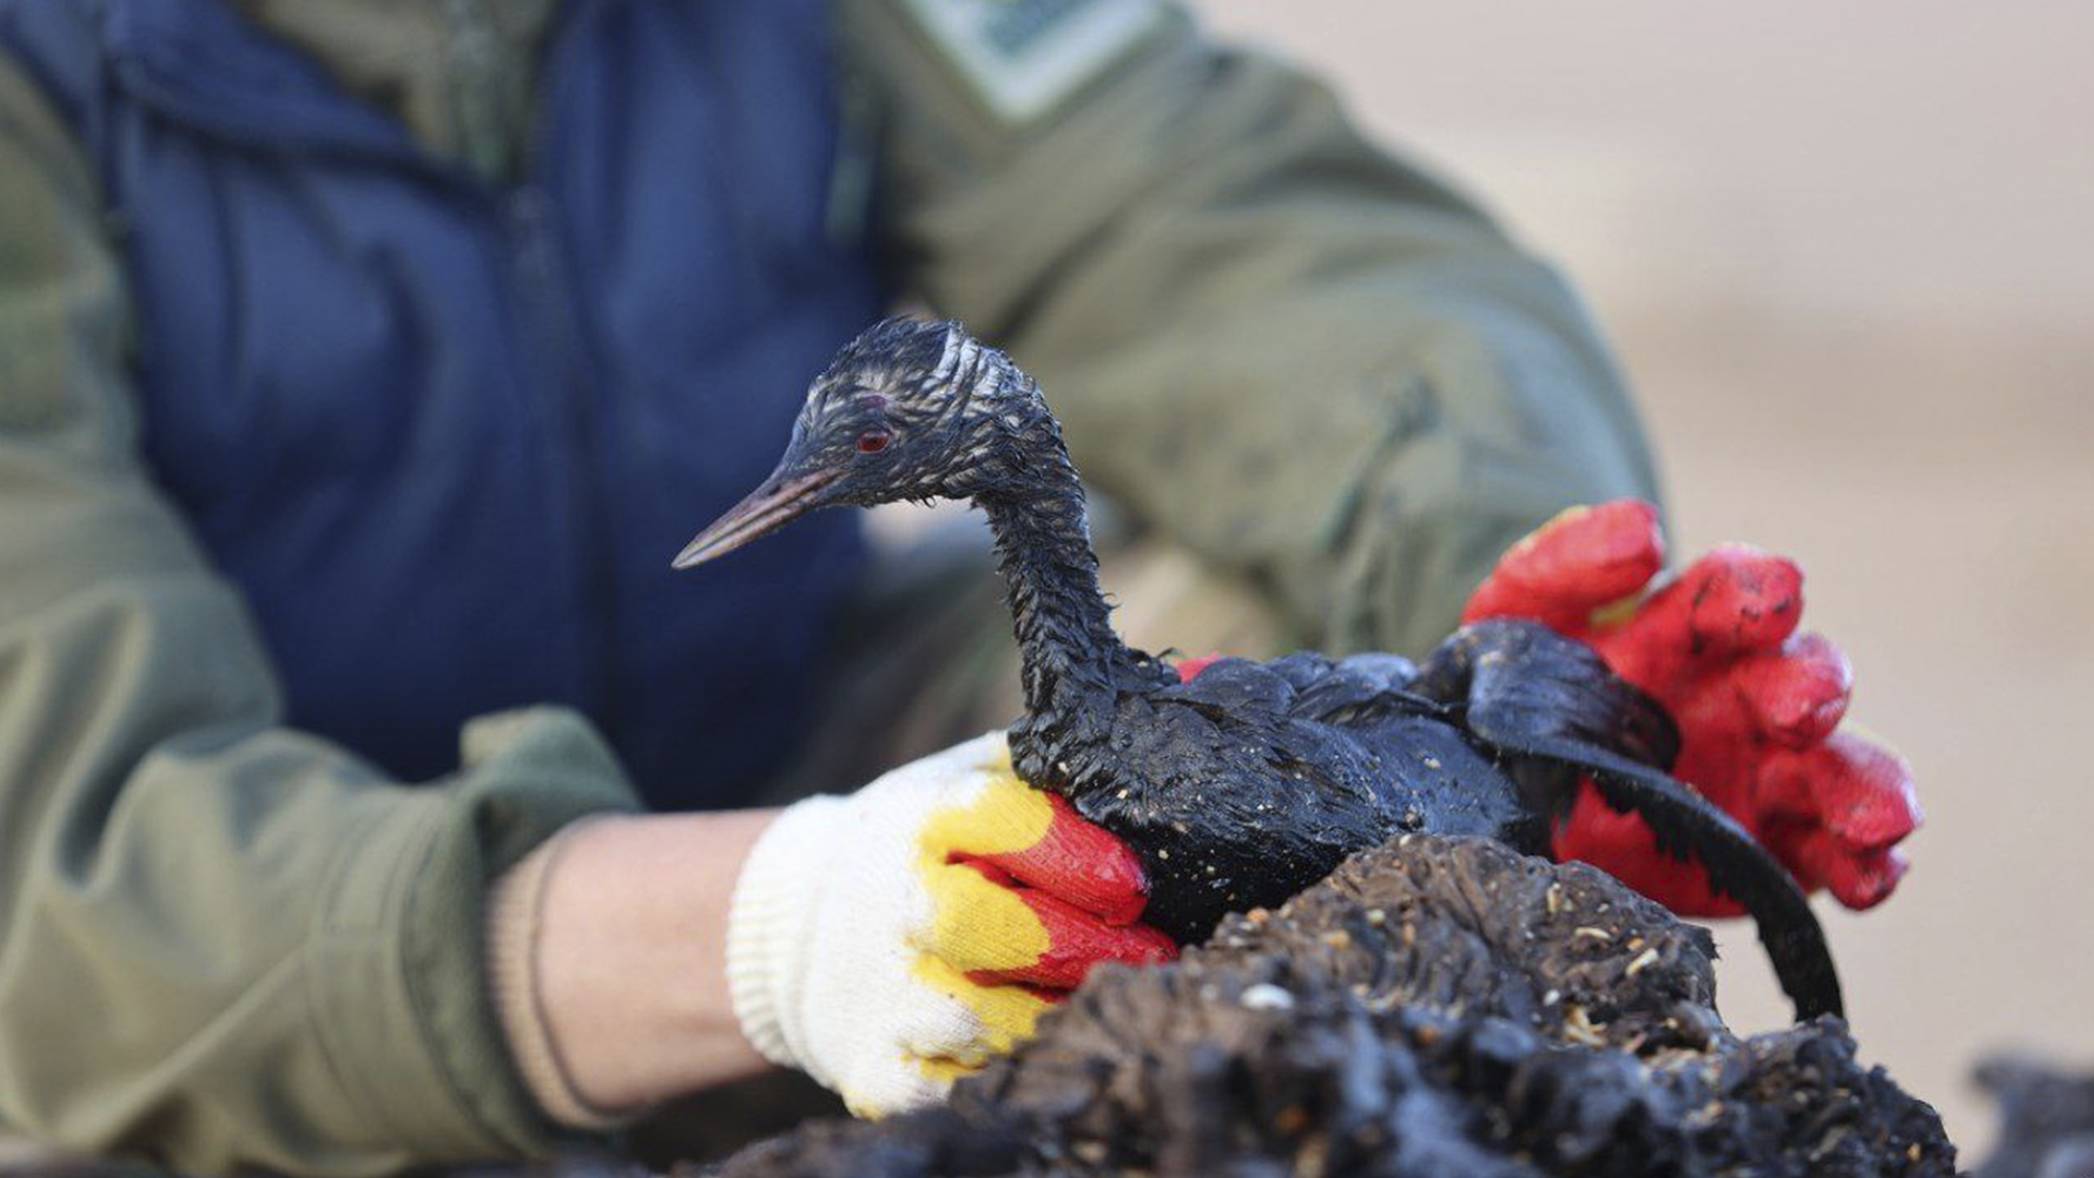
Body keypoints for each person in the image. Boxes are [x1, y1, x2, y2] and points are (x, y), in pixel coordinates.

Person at [0, 0, 1918, 1174]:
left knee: (1251, 677)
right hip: (209, 960)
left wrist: (1496, 627)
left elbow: (1212, 218)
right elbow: (54, 863)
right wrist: (770, 933)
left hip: (771, 720)